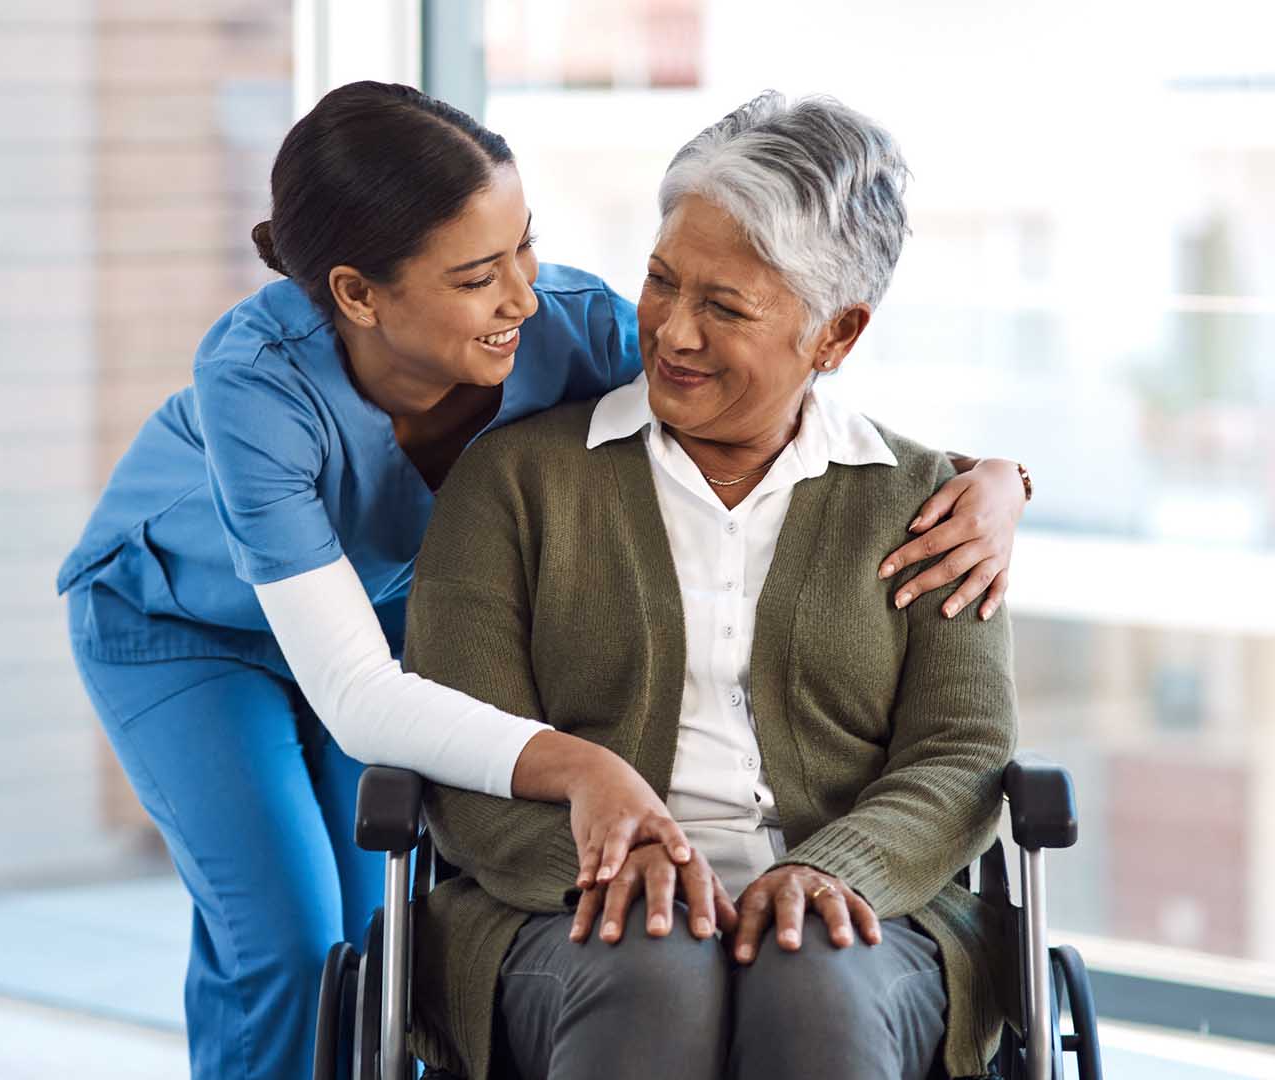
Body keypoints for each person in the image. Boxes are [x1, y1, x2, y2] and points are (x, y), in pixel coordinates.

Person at [55, 81, 1028, 1080]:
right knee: (291, 946)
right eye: (480, 274)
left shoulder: (572, 328)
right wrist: (585, 772)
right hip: (190, 631)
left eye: (526, 248)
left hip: (379, 622)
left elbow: (800, 428)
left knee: (364, 944)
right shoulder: (258, 383)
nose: (522, 295)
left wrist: (995, 483)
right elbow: (358, 696)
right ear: (359, 295)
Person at [402, 92, 1018, 1080]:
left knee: (811, 973)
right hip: (567, 913)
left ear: (836, 335)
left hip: (862, 919)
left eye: (725, 308)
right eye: (661, 282)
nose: (674, 333)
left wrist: (833, 869)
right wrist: (615, 870)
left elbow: (961, 752)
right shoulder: (516, 482)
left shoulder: (930, 510)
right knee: (652, 966)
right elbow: (463, 740)